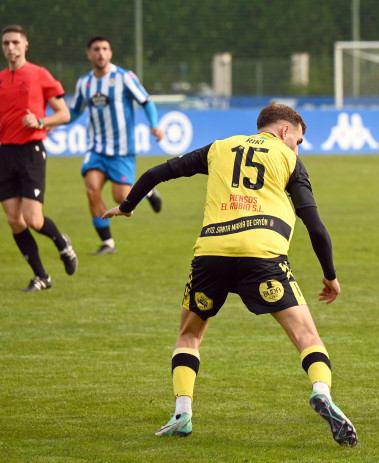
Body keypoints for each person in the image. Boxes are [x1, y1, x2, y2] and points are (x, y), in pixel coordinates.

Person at [102, 103, 358, 446]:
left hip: (212, 255)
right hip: (263, 256)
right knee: (307, 336)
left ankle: (182, 413)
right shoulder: (289, 160)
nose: (297, 147)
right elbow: (315, 225)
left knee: (189, 335)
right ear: (285, 131)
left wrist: (127, 206)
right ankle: (322, 392)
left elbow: (157, 173)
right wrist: (330, 274)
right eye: (297, 140)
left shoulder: (218, 148)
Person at [69, 36, 164, 255]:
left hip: (122, 150)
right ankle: (107, 243)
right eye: (96, 49)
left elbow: (146, 101)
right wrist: (56, 123)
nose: (101, 53)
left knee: (121, 198)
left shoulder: (124, 77)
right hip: (96, 148)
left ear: (110, 53)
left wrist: (155, 125)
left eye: (105, 49)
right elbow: (75, 111)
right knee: (92, 189)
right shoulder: (84, 83)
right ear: (89, 54)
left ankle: (147, 191)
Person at [0, 24, 78, 291]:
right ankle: (42, 276)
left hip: (31, 151)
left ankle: (61, 242)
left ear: (25, 45)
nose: (10, 48)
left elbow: (64, 114)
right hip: (5, 153)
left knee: (33, 218)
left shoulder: (39, 74)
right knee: (13, 219)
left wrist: (41, 121)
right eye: (6, 43)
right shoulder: (0, 79)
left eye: (15, 43)